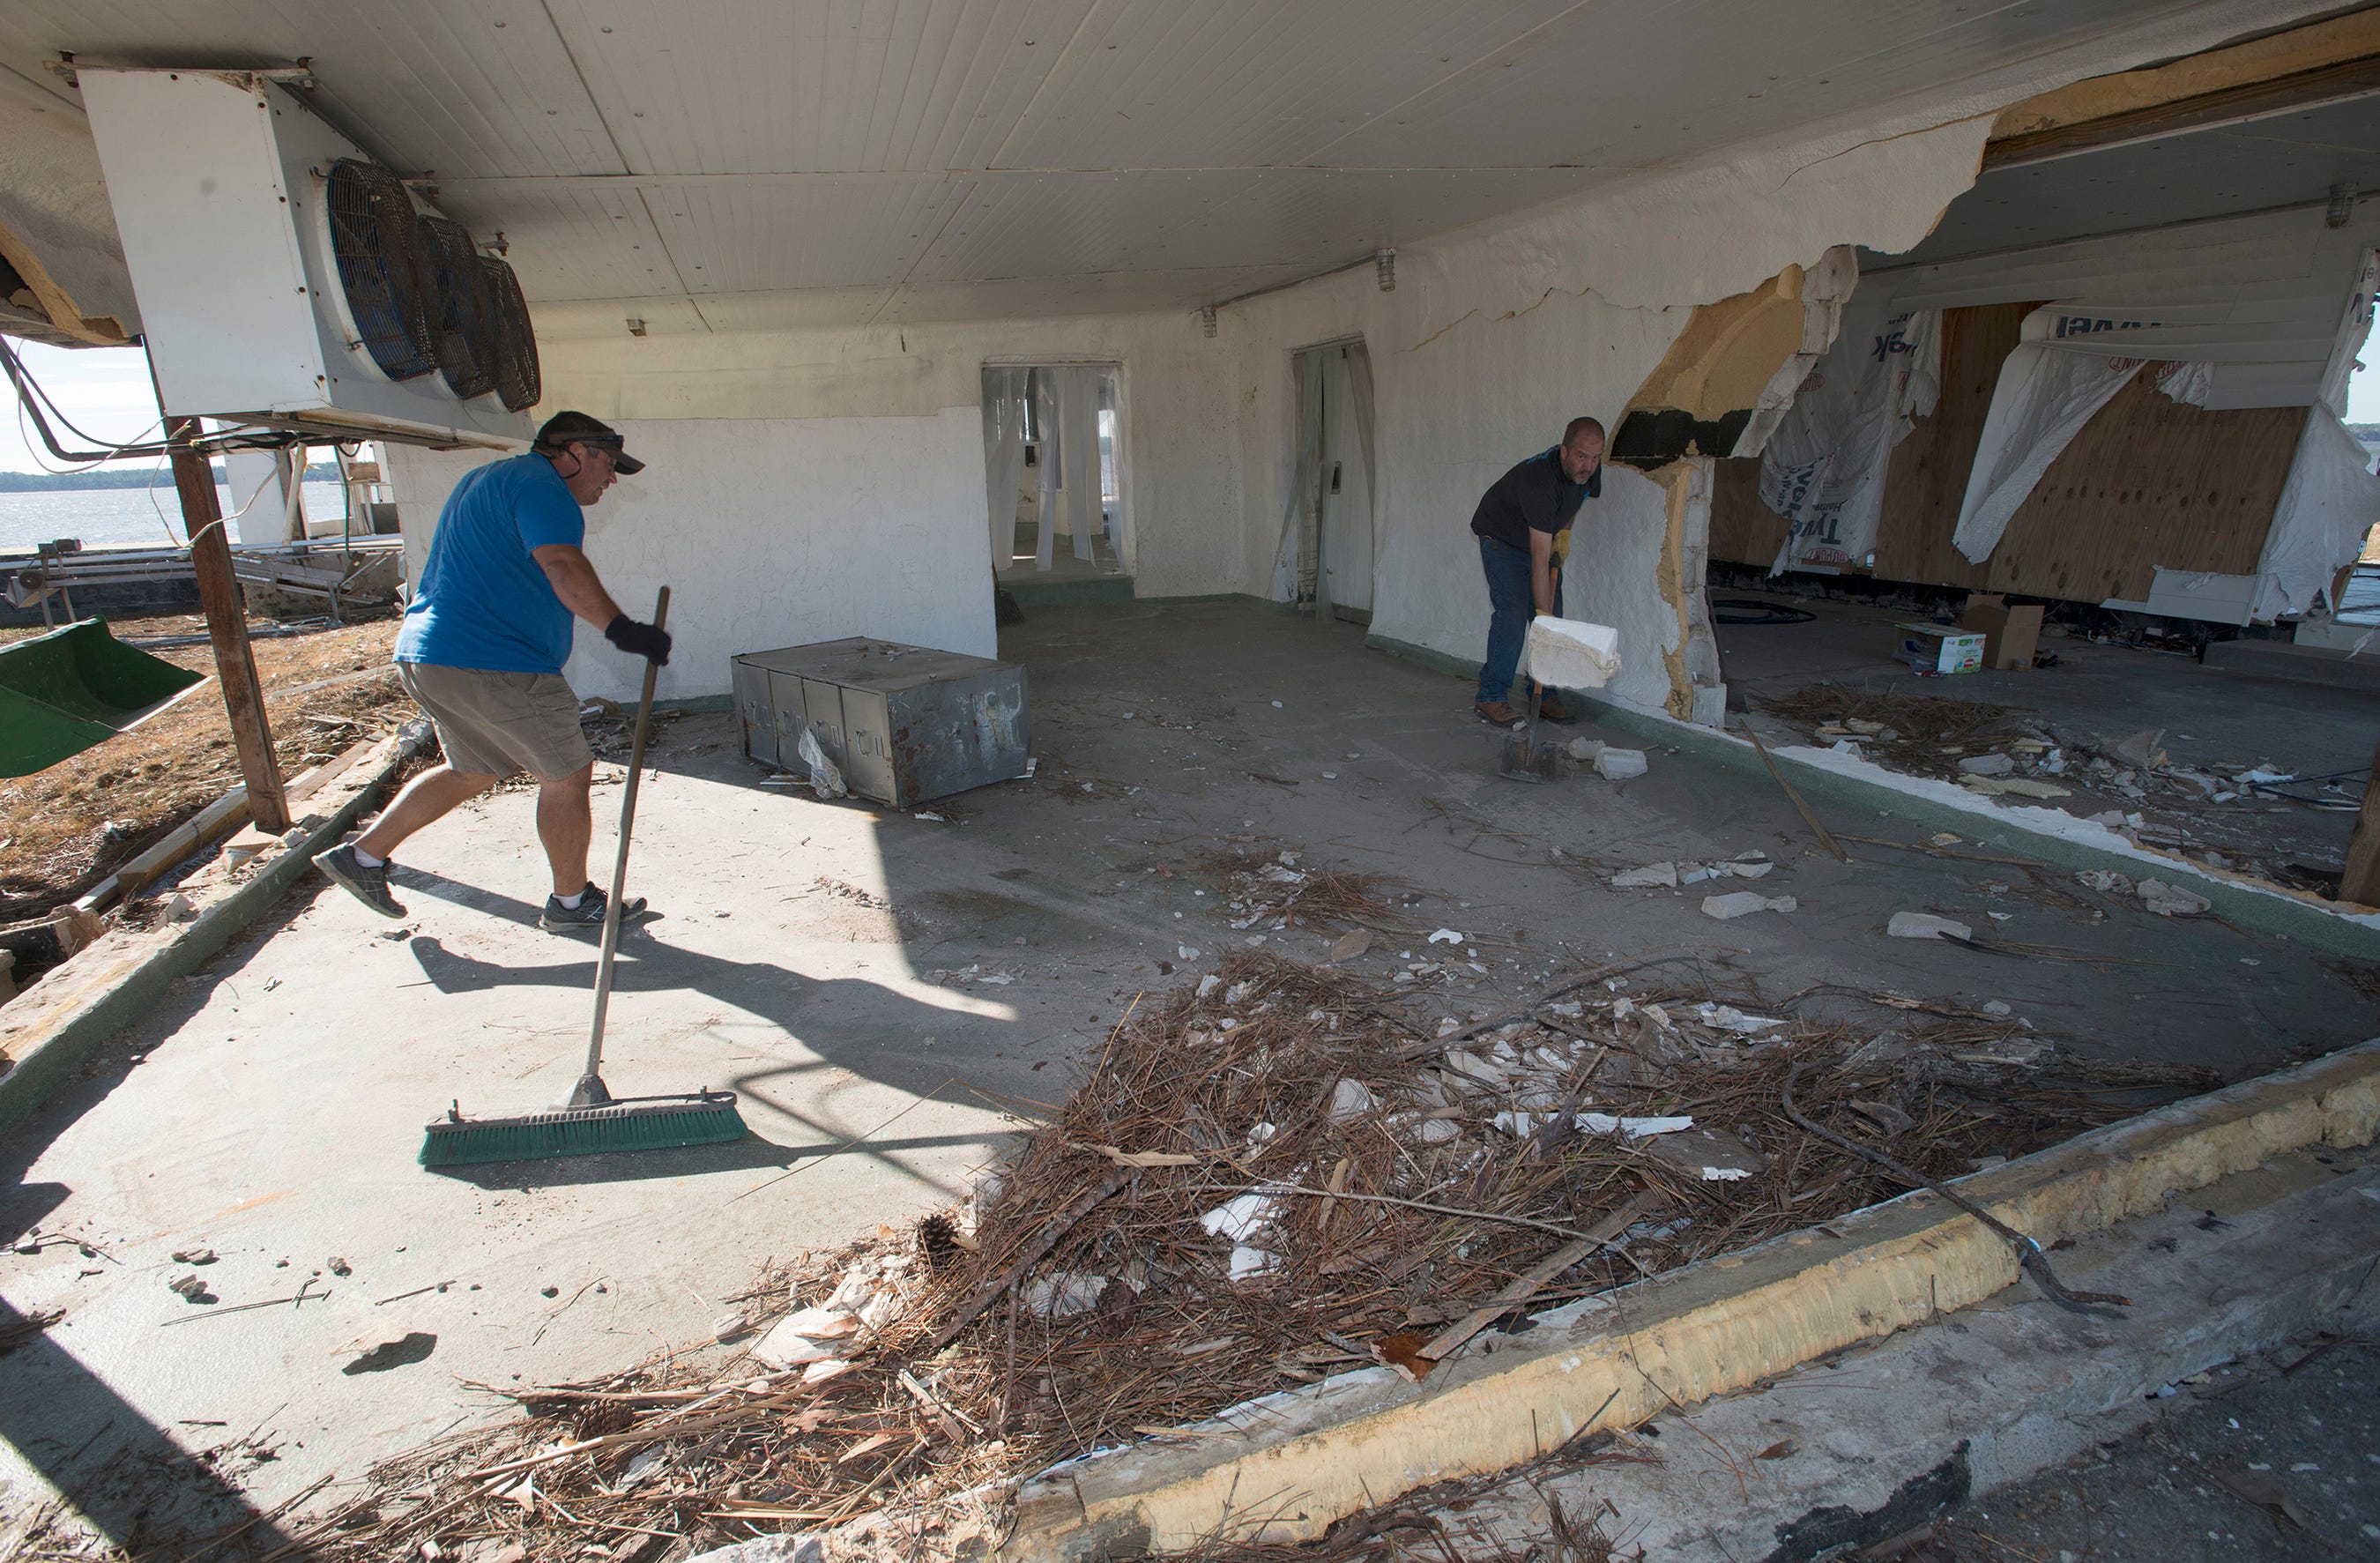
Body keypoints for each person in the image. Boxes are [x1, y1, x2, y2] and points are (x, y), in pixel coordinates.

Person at [314, 411, 673, 931]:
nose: (612, 477)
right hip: (493, 662)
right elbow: (562, 564)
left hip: (430, 654)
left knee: (474, 770)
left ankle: (362, 857)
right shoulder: (545, 488)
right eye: (608, 462)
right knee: (567, 773)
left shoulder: (485, 481)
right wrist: (622, 629)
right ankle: (573, 906)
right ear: (574, 452)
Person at [1469, 417, 1603, 725]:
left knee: (1554, 617)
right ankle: (1490, 697)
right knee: (1515, 614)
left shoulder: (1589, 471)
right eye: (1582, 456)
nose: (1589, 465)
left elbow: (1574, 502)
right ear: (1564, 452)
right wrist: (1542, 618)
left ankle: (1545, 694)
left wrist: (1564, 535)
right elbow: (1539, 559)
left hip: (1539, 537)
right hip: (1502, 540)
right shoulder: (1540, 481)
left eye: (1596, 458)